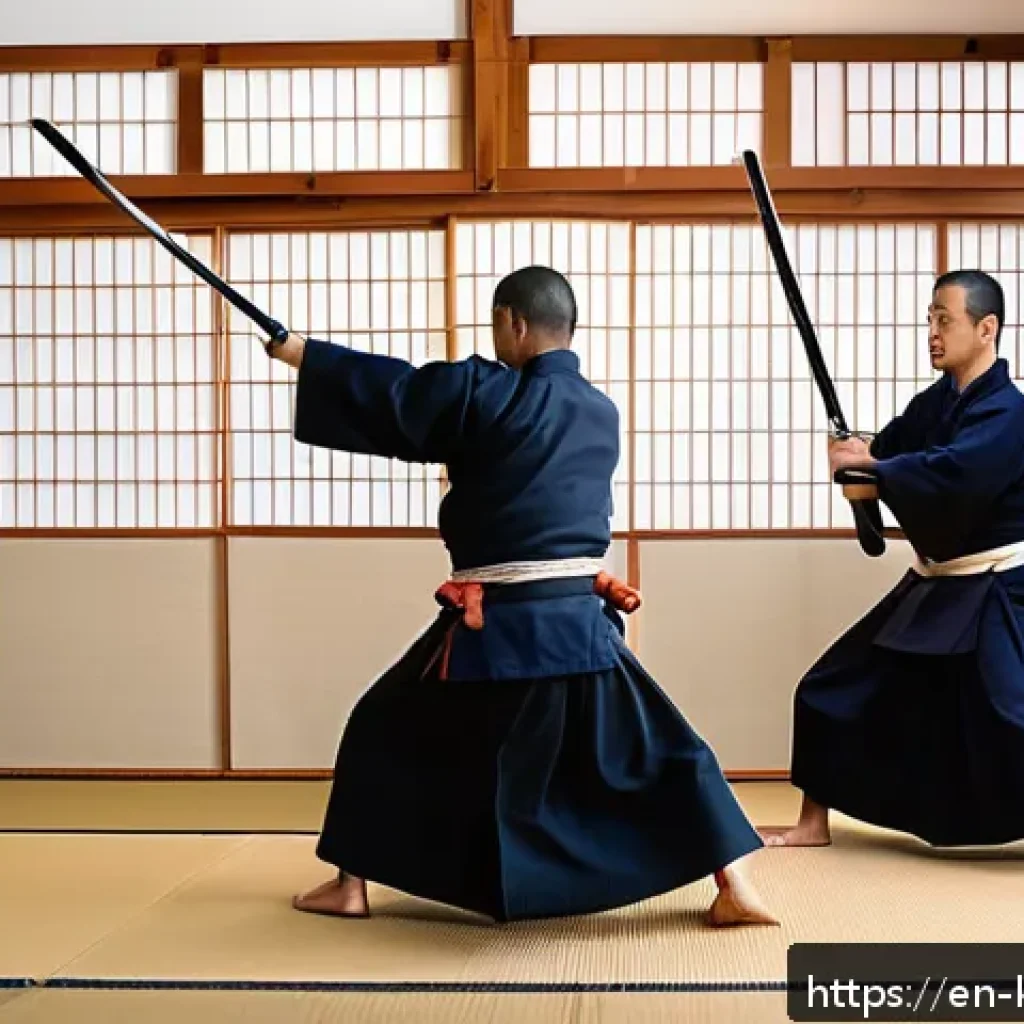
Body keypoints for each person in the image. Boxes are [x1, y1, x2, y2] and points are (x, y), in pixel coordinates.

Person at [269, 265, 777, 926]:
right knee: (659, 747)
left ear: (512, 322)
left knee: (380, 726)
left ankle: (350, 884)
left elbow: (397, 395)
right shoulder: (599, 410)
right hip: (578, 624)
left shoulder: (483, 392)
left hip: (497, 622)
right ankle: (734, 879)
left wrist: (302, 355)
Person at [765, 269, 1024, 849]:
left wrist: (876, 475)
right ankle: (812, 823)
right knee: (830, 686)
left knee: (1011, 718)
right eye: (929, 319)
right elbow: (887, 451)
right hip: (937, 585)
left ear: (987, 328)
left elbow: (957, 474)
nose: (932, 332)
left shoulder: (1009, 412)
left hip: (997, 589)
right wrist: (856, 454)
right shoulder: (933, 404)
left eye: (945, 320)